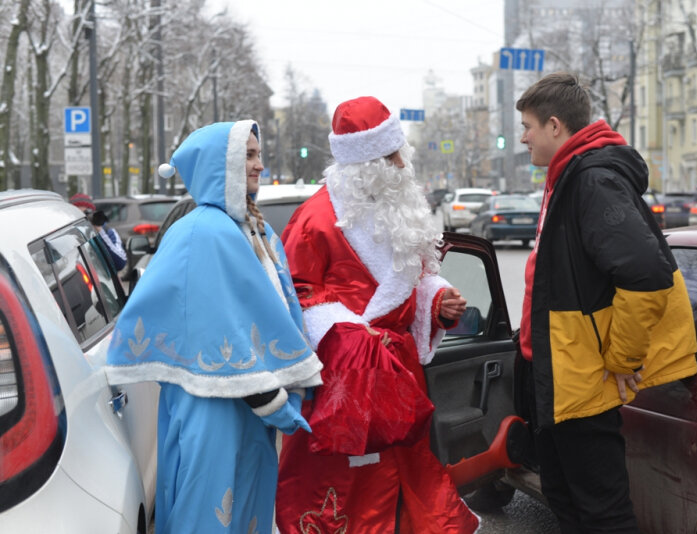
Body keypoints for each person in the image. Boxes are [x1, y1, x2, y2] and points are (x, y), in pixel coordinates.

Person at [105, 120, 323, 533]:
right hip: (215, 400)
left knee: (243, 503)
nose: (260, 165)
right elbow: (211, 322)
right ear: (216, 166)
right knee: (207, 509)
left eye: (259, 155)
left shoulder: (251, 227)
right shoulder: (203, 231)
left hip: (245, 399)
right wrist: (269, 396)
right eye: (249, 156)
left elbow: (269, 309)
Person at [275, 96, 480, 534]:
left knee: (409, 475)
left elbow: (415, 276)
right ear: (366, 163)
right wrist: (347, 334)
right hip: (343, 381)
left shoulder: (397, 209)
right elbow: (296, 296)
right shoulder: (315, 220)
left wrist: (436, 299)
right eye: (391, 155)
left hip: (397, 377)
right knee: (344, 487)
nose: (402, 163)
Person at [516, 72, 697, 533]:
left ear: (555, 126)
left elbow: (648, 276)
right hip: (562, 374)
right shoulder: (568, 176)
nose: (523, 138)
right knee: (565, 499)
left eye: (528, 126)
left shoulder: (592, 180)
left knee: (602, 513)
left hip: (586, 378)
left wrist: (621, 359)